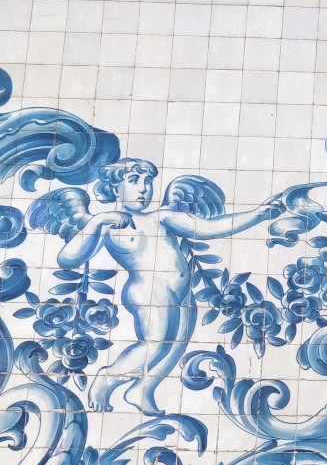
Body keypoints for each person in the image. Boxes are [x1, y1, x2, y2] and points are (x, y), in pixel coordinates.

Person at [43, 158, 285, 415]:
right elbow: (67, 258)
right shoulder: (110, 225)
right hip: (148, 291)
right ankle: (107, 378)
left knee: (176, 343)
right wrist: (97, 221)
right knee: (155, 344)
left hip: (181, 292)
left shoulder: (163, 216)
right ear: (114, 189)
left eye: (148, 182)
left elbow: (209, 228)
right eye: (134, 181)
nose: (144, 188)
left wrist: (257, 214)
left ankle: (142, 389)